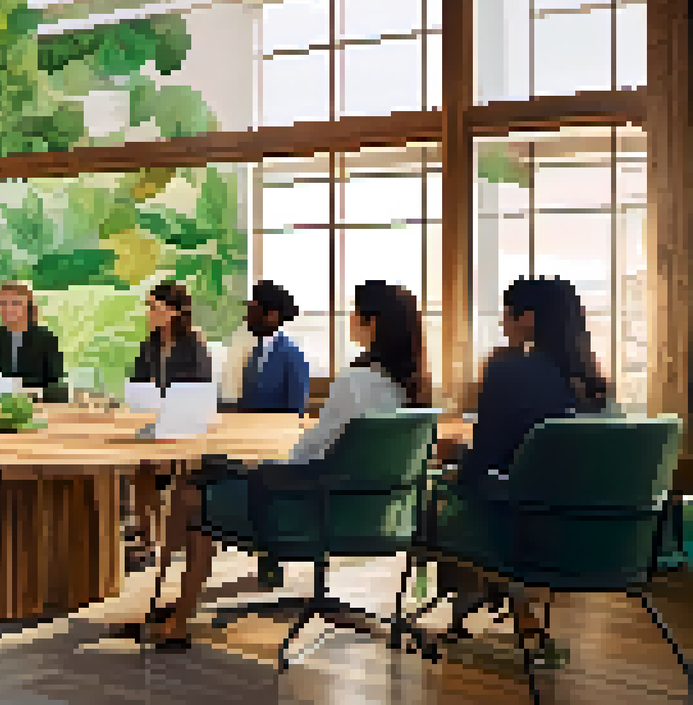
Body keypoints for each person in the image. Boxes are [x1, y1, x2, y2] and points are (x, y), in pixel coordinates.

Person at [120, 280, 431, 651]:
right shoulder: (413, 390)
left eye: (356, 312)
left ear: (373, 323)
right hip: (378, 518)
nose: (351, 318)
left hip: (306, 512)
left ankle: (177, 618)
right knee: (207, 484)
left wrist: (259, 467)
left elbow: (306, 455)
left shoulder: (354, 383)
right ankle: (176, 607)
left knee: (190, 493)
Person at [434, 276, 609, 652]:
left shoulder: (508, 371)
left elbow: (484, 462)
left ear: (526, 318)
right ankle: (511, 605)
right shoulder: (594, 383)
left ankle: (471, 606)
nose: (502, 324)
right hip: (594, 536)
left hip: (529, 531)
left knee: (447, 494)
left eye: (507, 315)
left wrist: (454, 460)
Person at [128, 282, 212, 569]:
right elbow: (139, 380)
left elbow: (199, 388)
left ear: (173, 312)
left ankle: (166, 539)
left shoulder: (194, 345)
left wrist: (165, 398)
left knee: (168, 467)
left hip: (185, 422)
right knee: (140, 466)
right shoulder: (149, 344)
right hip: (156, 420)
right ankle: (145, 537)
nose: (149, 313)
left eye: (154, 307)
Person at [234, 280, 311, 414]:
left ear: (272, 315)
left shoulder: (293, 355)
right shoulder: (254, 353)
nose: (246, 318)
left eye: (252, 311)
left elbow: (296, 407)